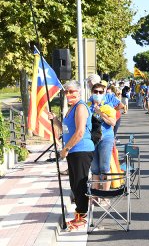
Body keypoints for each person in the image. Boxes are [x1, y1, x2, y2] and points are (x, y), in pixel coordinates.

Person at [49, 80, 94, 231]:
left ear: (79, 92)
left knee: (80, 183)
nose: (69, 94)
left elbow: (80, 132)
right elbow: (67, 130)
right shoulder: (72, 108)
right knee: (75, 184)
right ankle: (79, 214)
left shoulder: (80, 107)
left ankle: (82, 217)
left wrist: (66, 149)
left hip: (80, 150)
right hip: (74, 151)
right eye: (66, 92)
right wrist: (55, 120)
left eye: (72, 91)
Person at [88, 83, 117, 193]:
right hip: (92, 139)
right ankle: (95, 193)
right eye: (96, 91)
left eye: (101, 92)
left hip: (106, 138)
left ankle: (105, 194)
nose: (98, 94)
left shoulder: (108, 106)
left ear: (104, 93)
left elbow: (112, 122)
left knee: (104, 167)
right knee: (94, 168)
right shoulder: (87, 106)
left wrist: (100, 112)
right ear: (92, 92)